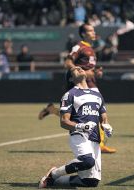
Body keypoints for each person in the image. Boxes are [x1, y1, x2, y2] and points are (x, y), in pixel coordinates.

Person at [38, 23, 116, 153]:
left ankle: (52, 110)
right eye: (90, 31)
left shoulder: (91, 48)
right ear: (84, 34)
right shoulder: (79, 47)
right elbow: (68, 62)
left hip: (91, 83)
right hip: (81, 84)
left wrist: (96, 72)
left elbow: (88, 68)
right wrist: (80, 73)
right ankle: (100, 144)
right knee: (84, 114)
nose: (93, 32)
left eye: (93, 30)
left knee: (93, 113)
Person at [38, 66, 113, 188]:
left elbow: (103, 117)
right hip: (79, 135)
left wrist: (106, 126)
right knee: (88, 161)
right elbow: (63, 121)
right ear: (71, 78)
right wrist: (81, 126)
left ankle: (54, 181)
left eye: (81, 68)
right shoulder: (70, 95)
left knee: (91, 182)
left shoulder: (97, 94)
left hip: (95, 139)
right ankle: (54, 174)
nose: (80, 69)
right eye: (75, 69)